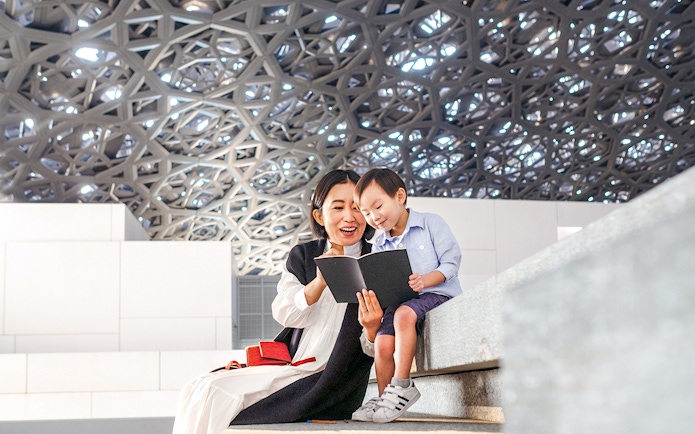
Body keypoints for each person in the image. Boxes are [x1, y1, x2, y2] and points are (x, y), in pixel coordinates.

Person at [172, 169, 381, 434]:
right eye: (338, 207)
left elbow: (380, 348)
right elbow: (285, 314)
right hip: (291, 366)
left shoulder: (376, 262)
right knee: (197, 387)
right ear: (319, 215)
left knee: (217, 393)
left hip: (330, 379)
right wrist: (318, 283)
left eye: (357, 208)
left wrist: (373, 329)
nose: (349, 217)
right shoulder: (304, 255)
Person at [351, 168, 463, 424]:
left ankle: (402, 385)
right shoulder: (379, 244)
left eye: (378, 206)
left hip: (436, 294)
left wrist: (426, 279)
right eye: (366, 213)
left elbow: (451, 263)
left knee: (402, 315)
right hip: (401, 300)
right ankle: (384, 399)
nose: (374, 217)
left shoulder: (430, 223)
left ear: (399, 196)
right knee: (381, 341)